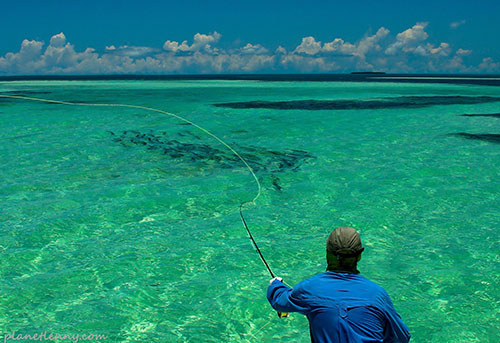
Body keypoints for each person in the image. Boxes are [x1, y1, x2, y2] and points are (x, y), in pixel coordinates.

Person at [267, 227, 411, 343]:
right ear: (360, 255)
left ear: (327, 252)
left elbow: (279, 302)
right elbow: (402, 337)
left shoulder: (310, 289)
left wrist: (275, 285)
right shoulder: (378, 294)